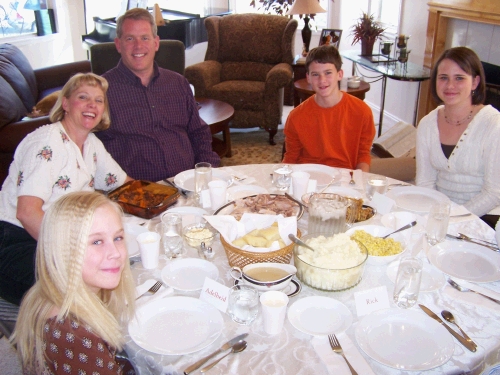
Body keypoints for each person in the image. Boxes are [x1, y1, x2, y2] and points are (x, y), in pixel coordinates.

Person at [0, 73, 131, 305]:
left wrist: (165, 197)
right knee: (79, 285)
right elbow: (27, 212)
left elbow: (123, 183)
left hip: (63, 235)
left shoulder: (91, 143)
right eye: (83, 97)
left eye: (99, 100)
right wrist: (73, 253)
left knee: (122, 264)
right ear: (66, 104)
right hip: (15, 239)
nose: (92, 105)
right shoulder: (47, 142)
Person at [12, 191, 136, 374]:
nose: (116, 253)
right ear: (64, 251)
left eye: (117, 238)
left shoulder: (58, 290)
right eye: (97, 242)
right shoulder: (72, 333)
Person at [96, 8, 220, 182]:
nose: (138, 46)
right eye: (130, 38)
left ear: (156, 43)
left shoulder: (177, 83)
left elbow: (198, 132)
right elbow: (91, 149)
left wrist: (208, 171)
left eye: (145, 38)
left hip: (187, 183)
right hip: (138, 191)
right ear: (118, 44)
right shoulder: (101, 91)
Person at [416, 47, 500, 228]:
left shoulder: (494, 124)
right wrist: (437, 216)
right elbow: (425, 183)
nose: (450, 86)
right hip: (439, 215)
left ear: (475, 82)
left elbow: (493, 193)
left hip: (483, 218)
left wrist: (452, 218)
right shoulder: (427, 124)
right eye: (443, 77)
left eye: (459, 78)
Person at [282, 45, 375, 172]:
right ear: (308, 78)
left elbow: (363, 155)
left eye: (328, 73)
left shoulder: (362, 111)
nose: (322, 80)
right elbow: (291, 158)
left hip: (345, 178)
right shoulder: (296, 116)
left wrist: (359, 183)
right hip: (307, 179)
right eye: (315, 74)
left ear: (340, 74)